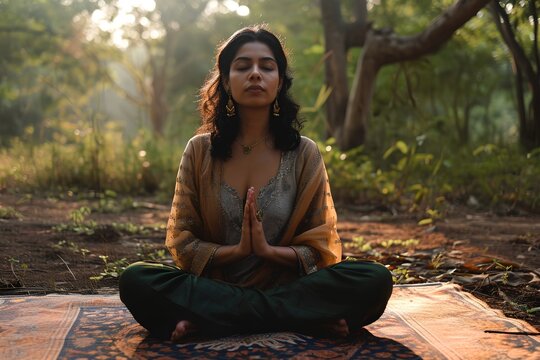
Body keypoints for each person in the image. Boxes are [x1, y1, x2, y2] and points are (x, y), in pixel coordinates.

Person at [119, 25, 393, 343]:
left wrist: (267, 251)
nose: (255, 74)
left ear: (279, 82)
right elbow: (183, 242)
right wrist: (236, 251)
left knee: (374, 278)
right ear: (225, 79)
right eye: (242, 66)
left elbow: (320, 248)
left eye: (266, 66)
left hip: (286, 288)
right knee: (136, 278)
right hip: (218, 288)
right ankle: (301, 318)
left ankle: (215, 321)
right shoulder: (199, 151)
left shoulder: (304, 153)